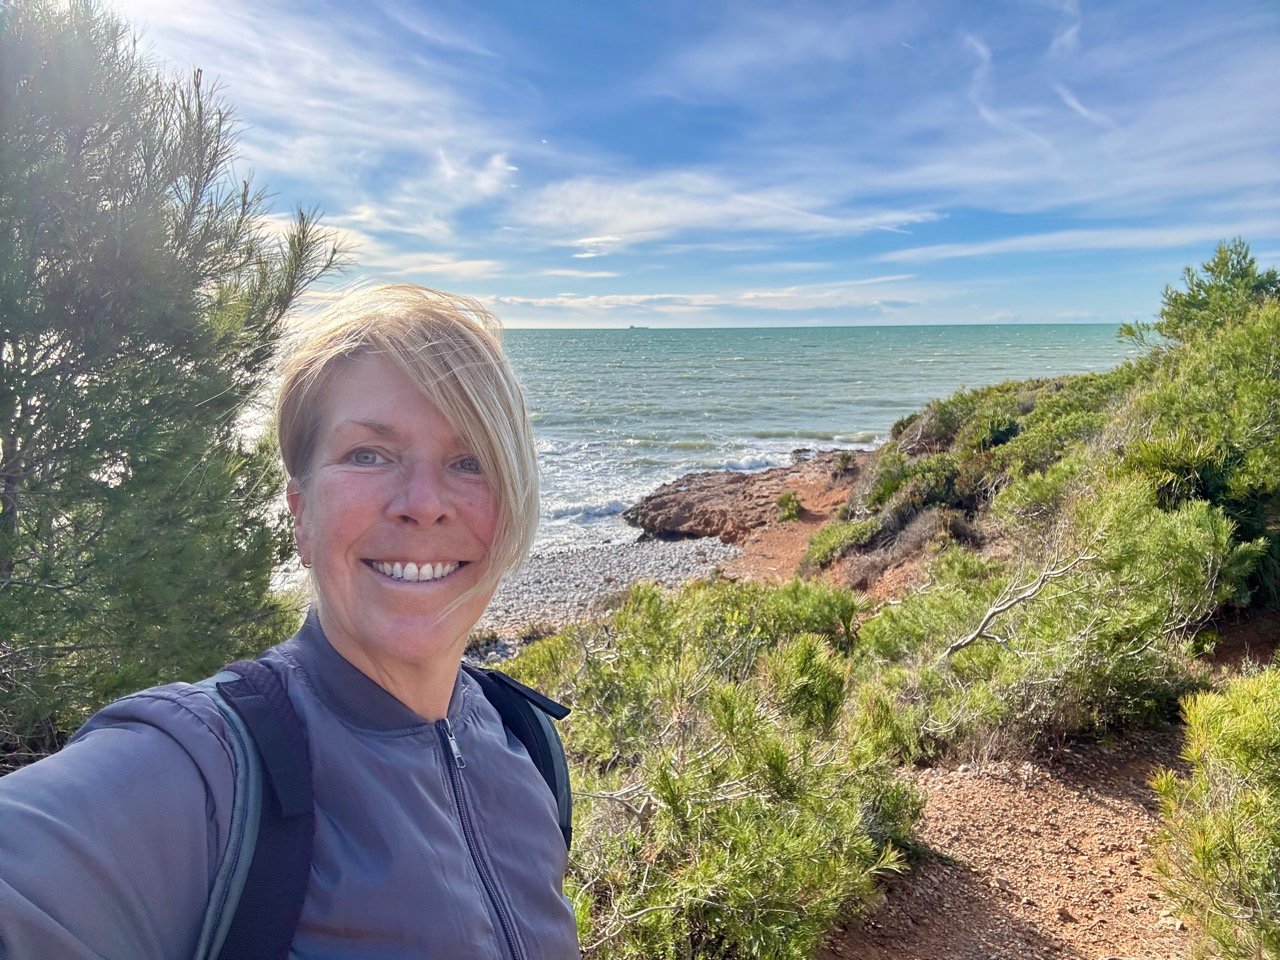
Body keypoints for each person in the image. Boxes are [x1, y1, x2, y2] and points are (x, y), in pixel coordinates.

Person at [0, 285, 581, 959]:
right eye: (369, 454)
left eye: (470, 461)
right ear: (301, 515)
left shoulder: (526, 745)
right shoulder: (207, 770)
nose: (424, 504)